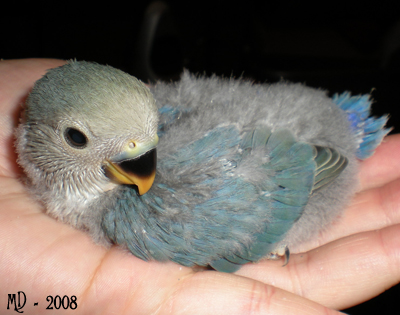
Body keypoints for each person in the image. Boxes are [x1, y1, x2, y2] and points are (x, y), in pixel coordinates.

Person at [1, 58, 399, 314]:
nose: (143, 166)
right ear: (27, 135)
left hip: (316, 139)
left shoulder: (143, 216)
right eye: (77, 138)